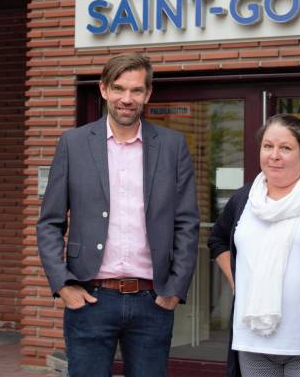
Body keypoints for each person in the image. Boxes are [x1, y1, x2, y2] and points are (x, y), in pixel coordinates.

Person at [37, 52, 199, 377]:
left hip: (152, 300)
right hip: (90, 298)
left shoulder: (172, 146)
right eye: (119, 88)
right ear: (103, 89)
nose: (127, 98)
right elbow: (49, 223)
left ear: (148, 94)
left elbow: (186, 222)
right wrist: (63, 285)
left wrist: (175, 288)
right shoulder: (73, 144)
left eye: (136, 90)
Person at [208, 114, 300, 377]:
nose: (274, 155)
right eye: (268, 146)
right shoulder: (246, 198)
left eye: (285, 148)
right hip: (252, 344)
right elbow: (217, 240)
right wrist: (238, 282)